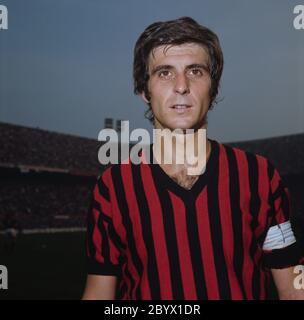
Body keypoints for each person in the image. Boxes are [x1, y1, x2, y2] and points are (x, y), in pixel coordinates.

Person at [82, 17, 304, 300]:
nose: (181, 86)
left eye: (195, 71)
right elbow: (99, 292)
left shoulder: (259, 175)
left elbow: (292, 287)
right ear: (143, 90)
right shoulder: (113, 187)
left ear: (214, 87)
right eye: (164, 73)